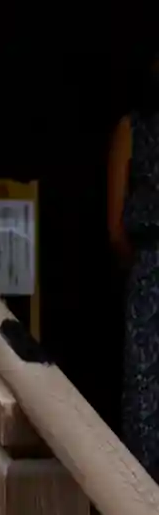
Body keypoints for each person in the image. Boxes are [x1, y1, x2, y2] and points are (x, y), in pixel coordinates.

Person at [108, 55, 159, 479]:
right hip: (147, 270)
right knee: (145, 389)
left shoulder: (131, 129)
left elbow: (115, 227)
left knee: (145, 388)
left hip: (147, 270)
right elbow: (115, 227)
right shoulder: (132, 128)